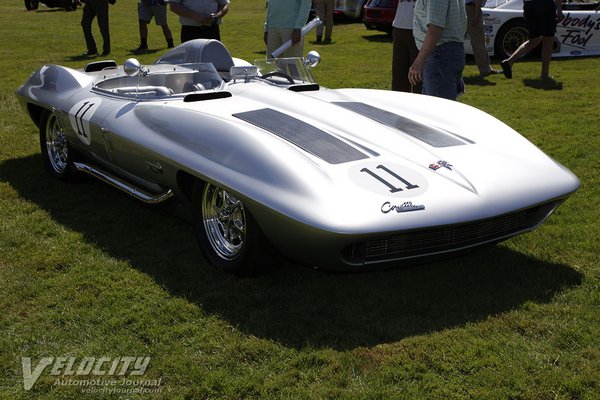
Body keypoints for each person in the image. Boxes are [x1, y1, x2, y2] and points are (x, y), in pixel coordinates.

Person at [408, 0, 467, 100]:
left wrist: (419, 62)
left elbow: (435, 28)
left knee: (437, 109)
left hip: (440, 55)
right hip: (444, 53)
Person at [500, 0, 564, 79]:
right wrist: (560, 10)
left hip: (529, 5)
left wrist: (525, 8)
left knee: (534, 40)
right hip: (545, 5)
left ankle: (509, 61)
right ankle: (545, 74)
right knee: (548, 40)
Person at [391, 0, 421, 93]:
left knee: (418, 76)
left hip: (419, 29)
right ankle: (398, 104)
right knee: (398, 74)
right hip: (400, 26)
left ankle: (419, 103)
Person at [465, 0, 500, 77]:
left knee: (457, 41)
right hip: (472, 9)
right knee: (478, 41)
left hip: (466, 8)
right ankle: (485, 70)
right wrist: (477, 14)